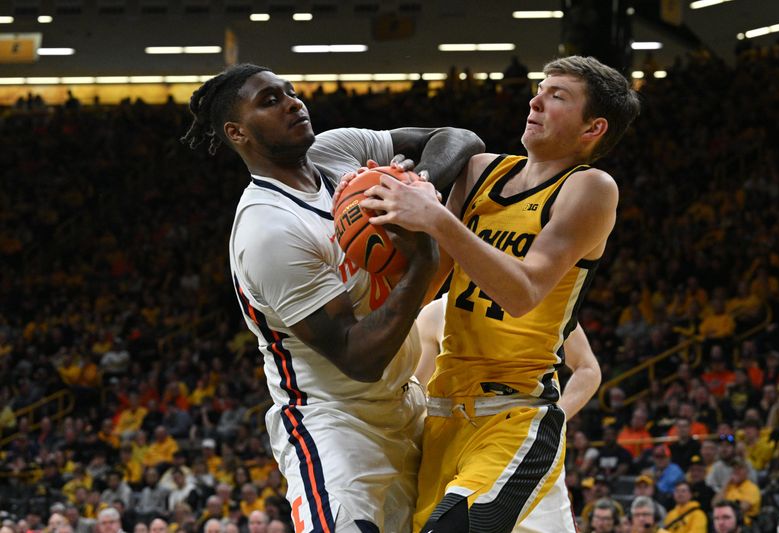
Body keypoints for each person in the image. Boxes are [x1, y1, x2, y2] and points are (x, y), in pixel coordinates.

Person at [181, 63, 484, 533]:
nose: (292, 103)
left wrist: (412, 188)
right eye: (270, 101)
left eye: (290, 91)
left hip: (408, 404)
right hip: (333, 424)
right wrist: (422, 262)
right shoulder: (268, 229)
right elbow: (357, 357)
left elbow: (458, 138)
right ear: (237, 133)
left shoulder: (338, 149)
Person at [360, 55, 639, 532]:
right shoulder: (478, 174)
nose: (535, 100)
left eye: (558, 96)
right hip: (442, 412)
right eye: (540, 88)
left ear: (593, 128)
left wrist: (436, 218)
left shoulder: (589, 188)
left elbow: (524, 291)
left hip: (516, 414)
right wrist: (383, 227)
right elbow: (427, 285)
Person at [414, 293, 601, 532]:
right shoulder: (436, 312)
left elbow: (588, 369)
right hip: (454, 444)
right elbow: (417, 395)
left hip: (520, 442)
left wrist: (545, 422)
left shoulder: (536, 298)